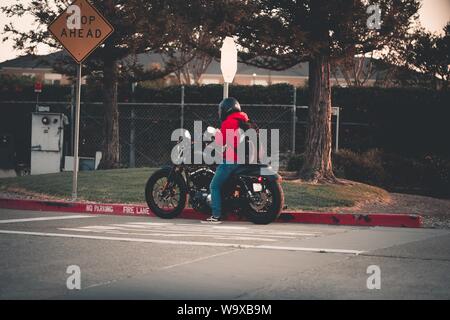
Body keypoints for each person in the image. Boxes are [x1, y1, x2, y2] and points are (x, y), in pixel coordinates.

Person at [201, 97, 249, 224]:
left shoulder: (229, 122)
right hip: (243, 159)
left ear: (226, 110)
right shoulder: (242, 120)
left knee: (214, 186)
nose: (219, 113)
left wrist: (214, 135)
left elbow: (220, 141)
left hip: (231, 160)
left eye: (220, 110)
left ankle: (216, 215)